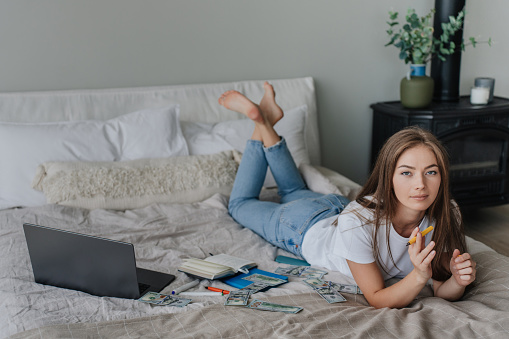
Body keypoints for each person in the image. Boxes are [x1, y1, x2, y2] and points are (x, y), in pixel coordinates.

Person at [218, 82, 476, 309]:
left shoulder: (445, 213)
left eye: (431, 172)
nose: (420, 184)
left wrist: (458, 279)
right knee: (240, 205)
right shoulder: (359, 222)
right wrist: (419, 275)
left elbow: (443, 289)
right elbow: (376, 297)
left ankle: (268, 120)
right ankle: (260, 121)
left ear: (442, 176)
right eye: (407, 173)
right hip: (302, 226)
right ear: (388, 177)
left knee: (293, 191)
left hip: (336, 207)